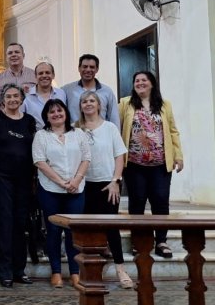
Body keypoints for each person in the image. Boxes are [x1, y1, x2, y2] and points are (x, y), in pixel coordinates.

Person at [119, 71, 183, 259]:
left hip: (160, 163)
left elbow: (173, 131)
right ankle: (138, 242)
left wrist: (178, 156)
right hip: (134, 163)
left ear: (152, 83)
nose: (140, 83)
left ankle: (161, 241)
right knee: (137, 201)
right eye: (137, 81)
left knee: (161, 201)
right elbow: (118, 129)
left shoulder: (164, 105)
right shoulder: (125, 103)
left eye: (144, 80)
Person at [76, 91, 133, 289]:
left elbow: (119, 156)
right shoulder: (76, 128)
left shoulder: (109, 128)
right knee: (87, 229)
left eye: (92, 101)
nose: (88, 104)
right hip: (84, 185)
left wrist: (115, 180)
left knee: (111, 227)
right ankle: (89, 271)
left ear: (99, 105)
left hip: (108, 184)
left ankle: (120, 269)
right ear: (80, 106)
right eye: (84, 101)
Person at [32, 99, 90, 289]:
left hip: (76, 189)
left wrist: (75, 180)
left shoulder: (78, 133)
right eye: (51, 112)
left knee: (73, 232)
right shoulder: (41, 135)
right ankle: (56, 272)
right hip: (50, 189)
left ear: (65, 112)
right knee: (53, 231)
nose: (56, 114)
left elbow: (86, 158)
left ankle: (74, 272)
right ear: (46, 117)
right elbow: (40, 161)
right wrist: (61, 182)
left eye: (59, 110)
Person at [0, 83, 36, 288]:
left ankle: (19, 270)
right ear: (2, 100)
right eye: (9, 96)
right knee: (4, 223)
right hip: (0, 178)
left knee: (20, 223)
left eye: (16, 96)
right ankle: (4, 271)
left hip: (24, 179)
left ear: (22, 99)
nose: (13, 99)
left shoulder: (30, 121)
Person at [61, 54, 119, 126]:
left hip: (101, 135)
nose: (88, 70)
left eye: (92, 67)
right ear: (79, 68)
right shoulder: (67, 90)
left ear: (97, 69)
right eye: (85, 67)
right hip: (76, 134)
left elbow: (114, 119)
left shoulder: (107, 92)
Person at [22, 62, 66, 130]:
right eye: (40, 73)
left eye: (47, 72)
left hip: (59, 136)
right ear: (35, 76)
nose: (44, 75)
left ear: (53, 75)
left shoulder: (61, 93)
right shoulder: (27, 95)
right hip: (35, 137)